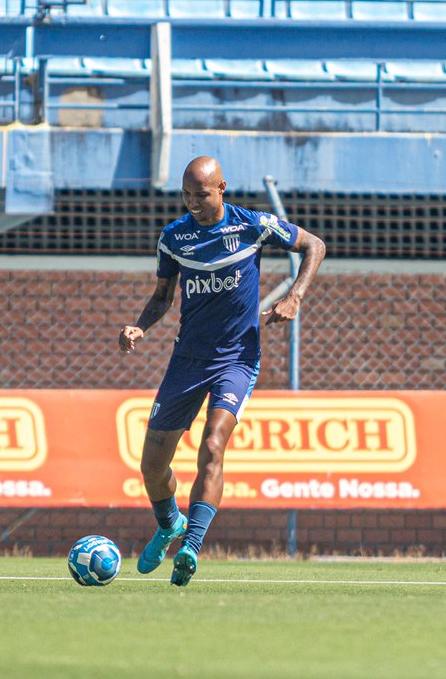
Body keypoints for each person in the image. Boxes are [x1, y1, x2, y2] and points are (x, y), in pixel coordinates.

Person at [118, 156, 325, 586]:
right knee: (152, 465)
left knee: (213, 444)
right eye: (187, 195)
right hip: (188, 360)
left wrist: (295, 297)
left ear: (222, 188)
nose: (194, 202)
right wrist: (139, 325)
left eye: (203, 194)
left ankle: (191, 547)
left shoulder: (253, 225)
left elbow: (314, 245)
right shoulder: (174, 238)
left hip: (236, 358)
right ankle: (169, 523)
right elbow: (162, 297)